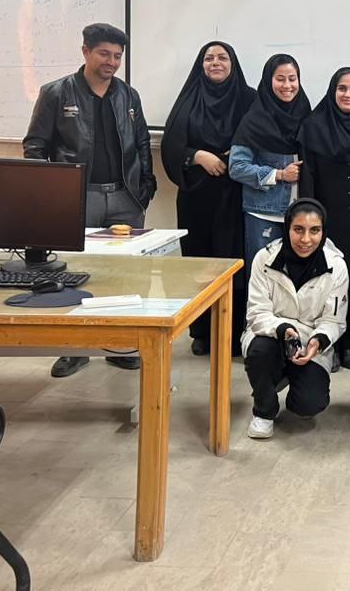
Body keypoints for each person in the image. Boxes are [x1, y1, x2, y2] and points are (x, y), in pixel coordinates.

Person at [23, 22, 156, 378]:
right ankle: (74, 349)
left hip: (125, 197)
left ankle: (120, 345)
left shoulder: (128, 96)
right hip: (79, 198)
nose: (111, 62)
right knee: (74, 274)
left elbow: (142, 142)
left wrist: (146, 186)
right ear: (85, 51)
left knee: (125, 276)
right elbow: (35, 146)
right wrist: (51, 192)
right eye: (104, 54)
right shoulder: (56, 93)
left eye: (117, 56)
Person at [161, 41, 255, 357]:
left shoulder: (249, 99)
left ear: (233, 63)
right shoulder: (189, 99)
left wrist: (235, 155)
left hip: (236, 195)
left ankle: (234, 330)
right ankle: (201, 331)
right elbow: (171, 145)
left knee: (234, 263)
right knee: (198, 264)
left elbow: (264, 137)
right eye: (209, 58)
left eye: (222, 57)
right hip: (196, 197)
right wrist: (197, 156)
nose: (215, 62)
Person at [242, 198, 348, 439]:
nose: (306, 239)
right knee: (260, 352)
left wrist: (319, 341)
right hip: (271, 334)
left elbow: (334, 320)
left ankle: (292, 380)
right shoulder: (264, 259)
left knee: (308, 405)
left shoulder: (337, 266)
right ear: (287, 228)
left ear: (323, 232)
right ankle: (264, 411)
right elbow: (257, 312)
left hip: (311, 340)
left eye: (314, 230)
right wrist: (283, 329)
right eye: (298, 229)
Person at [298, 67, 350, 370]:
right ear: (333, 91)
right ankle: (326, 344)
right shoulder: (313, 126)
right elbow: (307, 176)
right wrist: (311, 220)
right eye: (342, 88)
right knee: (325, 283)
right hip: (326, 218)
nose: (348, 95)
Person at [229, 54, 311, 285]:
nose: (287, 85)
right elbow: (236, 167)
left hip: (299, 214)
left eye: (292, 78)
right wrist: (279, 174)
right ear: (268, 81)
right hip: (263, 214)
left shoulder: (305, 113)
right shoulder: (254, 120)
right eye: (280, 79)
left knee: (295, 282)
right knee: (262, 281)